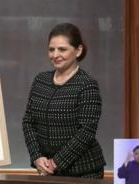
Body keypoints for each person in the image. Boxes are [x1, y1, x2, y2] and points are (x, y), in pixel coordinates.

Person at [22, 23, 106, 178]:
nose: (55, 55)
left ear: (78, 50)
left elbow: (86, 131)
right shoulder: (41, 80)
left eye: (62, 49)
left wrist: (56, 162)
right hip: (47, 170)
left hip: (84, 173)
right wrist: (37, 157)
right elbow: (28, 122)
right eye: (51, 49)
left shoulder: (87, 85)